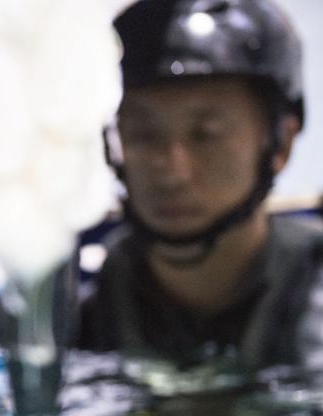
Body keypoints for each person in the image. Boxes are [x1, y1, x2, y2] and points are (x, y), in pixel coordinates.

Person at [80, 0, 323, 372]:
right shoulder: (65, 328)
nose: (172, 171)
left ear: (281, 143)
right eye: (143, 134)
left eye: (207, 135)